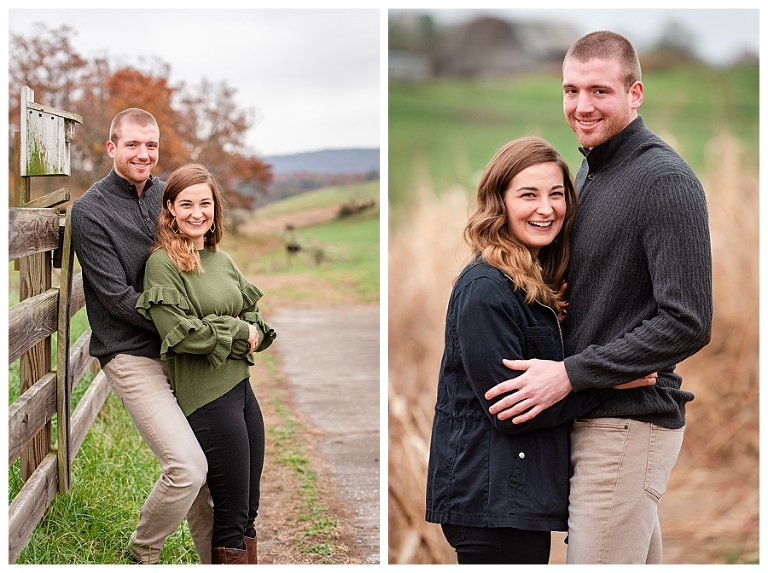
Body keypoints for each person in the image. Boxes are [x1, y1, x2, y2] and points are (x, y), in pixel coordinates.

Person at [484, 31, 713, 564]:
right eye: (571, 90)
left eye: (599, 91)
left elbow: (687, 321)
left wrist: (570, 373)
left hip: (627, 424)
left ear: (635, 93)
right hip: (596, 417)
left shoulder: (664, 180)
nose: (582, 106)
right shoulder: (591, 168)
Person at [424, 136, 654, 564]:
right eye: (528, 195)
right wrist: (610, 379)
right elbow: (512, 410)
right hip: (492, 508)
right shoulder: (485, 288)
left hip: (512, 504)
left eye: (556, 194)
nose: (546, 209)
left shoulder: (527, 286)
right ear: (499, 202)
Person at [71, 108, 215, 564]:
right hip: (131, 352)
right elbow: (117, 298)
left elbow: (197, 260)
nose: (143, 154)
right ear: (111, 147)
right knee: (187, 467)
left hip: (184, 347)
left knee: (213, 470)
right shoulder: (90, 212)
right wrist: (189, 326)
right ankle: (141, 555)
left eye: (151, 145)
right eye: (132, 144)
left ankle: (219, 561)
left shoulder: (167, 195)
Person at [136, 163, 276, 564]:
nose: (197, 213)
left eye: (205, 203)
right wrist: (237, 331)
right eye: (186, 204)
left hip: (242, 390)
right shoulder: (162, 264)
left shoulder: (221, 259)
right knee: (230, 514)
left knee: (248, 509)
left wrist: (243, 329)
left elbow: (256, 321)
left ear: (215, 208)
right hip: (208, 398)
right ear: (170, 208)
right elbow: (181, 335)